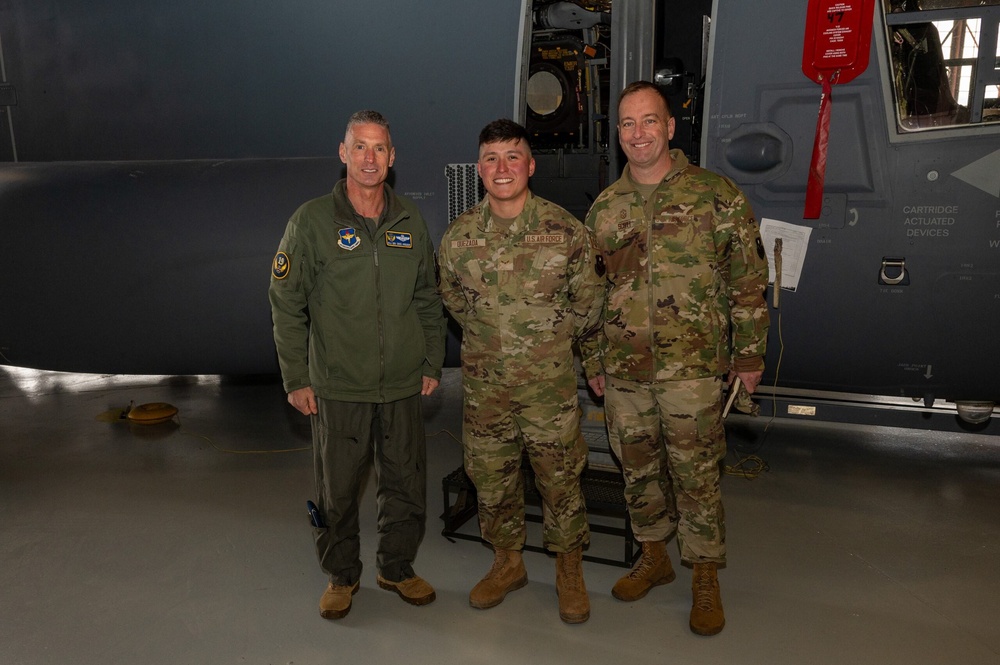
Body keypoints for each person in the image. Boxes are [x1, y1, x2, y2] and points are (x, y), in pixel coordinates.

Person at [580, 81, 769, 636]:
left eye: (648, 122)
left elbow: (748, 280)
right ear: (619, 135)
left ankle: (704, 574)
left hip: (694, 369)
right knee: (636, 470)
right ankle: (655, 556)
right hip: (624, 371)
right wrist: (593, 358)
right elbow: (590, 293)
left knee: (696, 475)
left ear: (669, 127)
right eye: (627, 124)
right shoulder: (605, 209)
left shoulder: (716, 194)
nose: (638, 134)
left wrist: (750, 353)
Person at [268, 110, 446, 620]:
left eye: (380, 149)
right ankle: (342, 576)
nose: (370, 158)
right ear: (344, 153)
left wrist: (432, 359)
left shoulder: (410, 220)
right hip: (339, 387)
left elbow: (427, 298)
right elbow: (286, 303)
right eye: (360, 147)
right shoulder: (310, 222)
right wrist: (297, 378)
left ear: (393, 158)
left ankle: (397, 567)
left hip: (402, 386)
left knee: (406, 484)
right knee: (338, 489)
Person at [437, 118, 603, 624]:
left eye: (513, 156)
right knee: (491, 479)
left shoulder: (565, 231)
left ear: (530, 165)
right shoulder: (459, 237)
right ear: (480, 169)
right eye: (491, 158)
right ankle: (507, 562)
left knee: (560, 479)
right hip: (486, 389)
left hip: (547, 389)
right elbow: (453, 301)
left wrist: (548, 344)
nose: (502, 167)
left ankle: (568, 568)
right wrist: (496, 341)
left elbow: (588, 304)